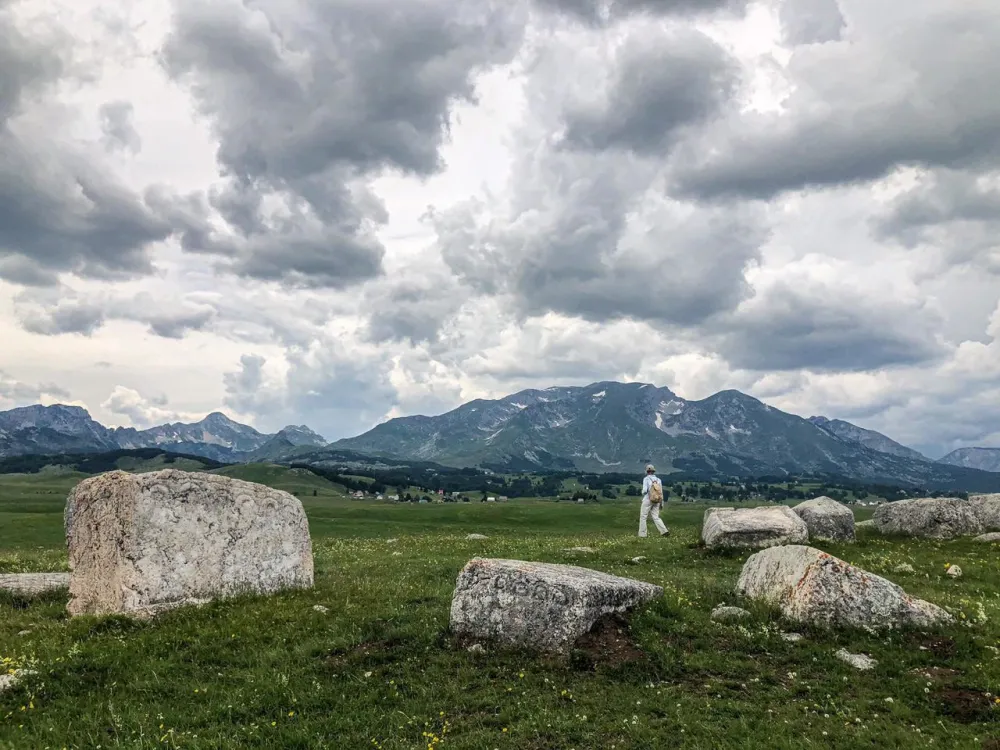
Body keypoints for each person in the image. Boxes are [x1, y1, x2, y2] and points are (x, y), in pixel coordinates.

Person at [638, 464, 669, 537]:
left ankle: (642, 534)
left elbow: (645, 491)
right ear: (653, 471)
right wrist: (661, 503)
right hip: (657, 500)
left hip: (648, 499)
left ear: (647, 471)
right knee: (656, 517)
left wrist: (642, 492)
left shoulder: (646, 479)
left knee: (643, 517)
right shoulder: (659, 480)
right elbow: (660, 492)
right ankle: (664, 531)